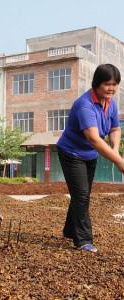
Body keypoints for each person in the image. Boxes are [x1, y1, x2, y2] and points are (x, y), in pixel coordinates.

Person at [57, 64, 124, 253]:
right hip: (72, 153)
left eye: (115, 84)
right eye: (107, 84)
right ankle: (83, 240)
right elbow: (94, 139)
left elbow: (115, 129)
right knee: (81, 195)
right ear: (96, 83)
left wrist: (116, 151)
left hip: (90, 155)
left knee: (82, 194)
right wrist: (118, 162)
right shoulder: (84, 105)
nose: (111, 88)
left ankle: (70, 230)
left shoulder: (110, 102)